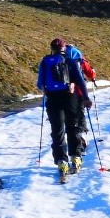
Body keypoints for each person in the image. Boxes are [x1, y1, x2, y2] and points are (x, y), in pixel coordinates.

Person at [37, 38, 88, 181]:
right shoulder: (70, 61)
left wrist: (46, 90)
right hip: (70, 97)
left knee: (57, 130)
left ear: (51, 48)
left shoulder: (45, 61)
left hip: (53, 98)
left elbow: (40, 83)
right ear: (64, 48)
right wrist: (86, 98)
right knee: (72, 127)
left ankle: (61, 162)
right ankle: (76, 158)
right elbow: (80, 80)